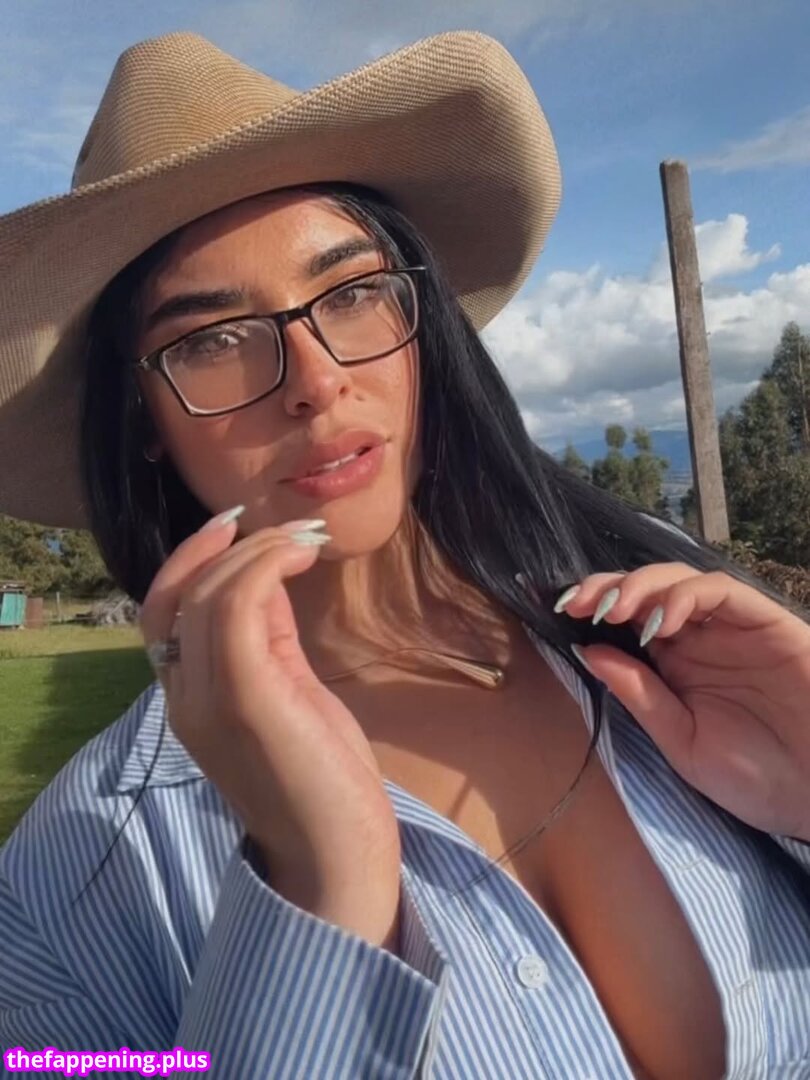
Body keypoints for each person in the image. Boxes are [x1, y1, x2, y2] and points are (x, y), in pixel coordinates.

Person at [0, 30, 808, 1080]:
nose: (316, 380)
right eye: (210, 339)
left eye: (350, 293)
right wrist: (318, 893)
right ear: (143, 417)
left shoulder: (677, 637)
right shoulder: (69, 882)